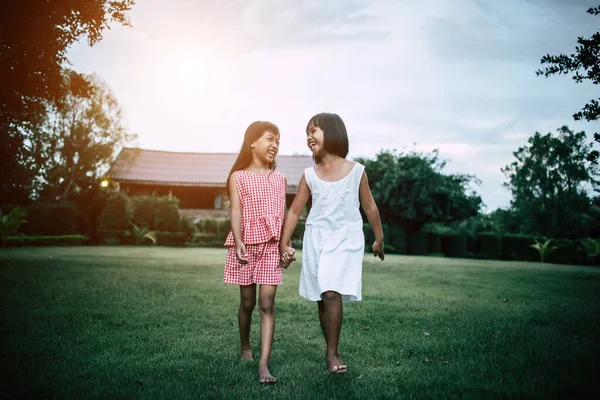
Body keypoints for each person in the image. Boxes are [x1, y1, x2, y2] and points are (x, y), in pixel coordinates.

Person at [280, 112, 385, 375]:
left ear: (333, 133)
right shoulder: (309, 174)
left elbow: (369, 207)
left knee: (330, 291)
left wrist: (379, 239)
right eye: (307, 132)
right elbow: (294, 211)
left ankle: (330, 354)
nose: (309, 136)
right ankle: (333, 348)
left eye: (314, 130)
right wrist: (284, 242)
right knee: (320, 296)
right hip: (316, 237)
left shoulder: (356, 170)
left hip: (345, 237)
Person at [224, 121, 287, 384]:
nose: (274, 145)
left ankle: (264, 364)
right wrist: (238, 240)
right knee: (248, 303)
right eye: (270, 139)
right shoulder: (237, 177)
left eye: (278, 142)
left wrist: (286, 245)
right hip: (246, 245)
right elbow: (236, 211)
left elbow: (283, 215)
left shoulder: (280, 178)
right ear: (252, 142)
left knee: (267, 304)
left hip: (272, 245)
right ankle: (245, 346)